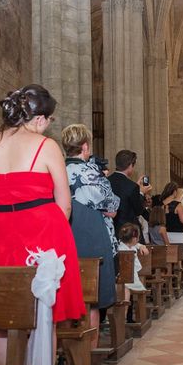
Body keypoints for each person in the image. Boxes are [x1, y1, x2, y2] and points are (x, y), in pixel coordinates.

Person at [0, 84, 86, 365]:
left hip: (2, 231)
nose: (48, 126)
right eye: (49, 120)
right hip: (43, 233)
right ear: (39, 119)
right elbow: (64, 203)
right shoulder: (46, 146)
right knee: (44, 317)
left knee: (2, 321)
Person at [62, 123, 119, 348]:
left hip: (63, 234)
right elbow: (112, 206)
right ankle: (88, 357)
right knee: (92, 299)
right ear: (85, 147)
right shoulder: (90, 172)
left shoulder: (54, 168)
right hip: (90, 234)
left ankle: (63, 355)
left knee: (64, 298)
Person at [107, 149, 151, 239]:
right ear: (130, 165)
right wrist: (141, 193)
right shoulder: (132, 186)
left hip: (111, 229)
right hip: (128, 232)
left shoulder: (106, 181)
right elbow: (138, 210)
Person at [117, 223, 150, 302]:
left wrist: (142, 246)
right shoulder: (124, 250)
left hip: (123, 279)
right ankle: (124, 314)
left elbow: (137, 245)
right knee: (126, 293)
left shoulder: (124, 245)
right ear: (135, 239)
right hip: (128, 279)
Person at [161, 181, 183, 252]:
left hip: (166, 234)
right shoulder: (178, 205)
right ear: (174, 191)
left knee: (169, 255)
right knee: (179, 257)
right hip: (177, 234)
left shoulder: (162, 204)